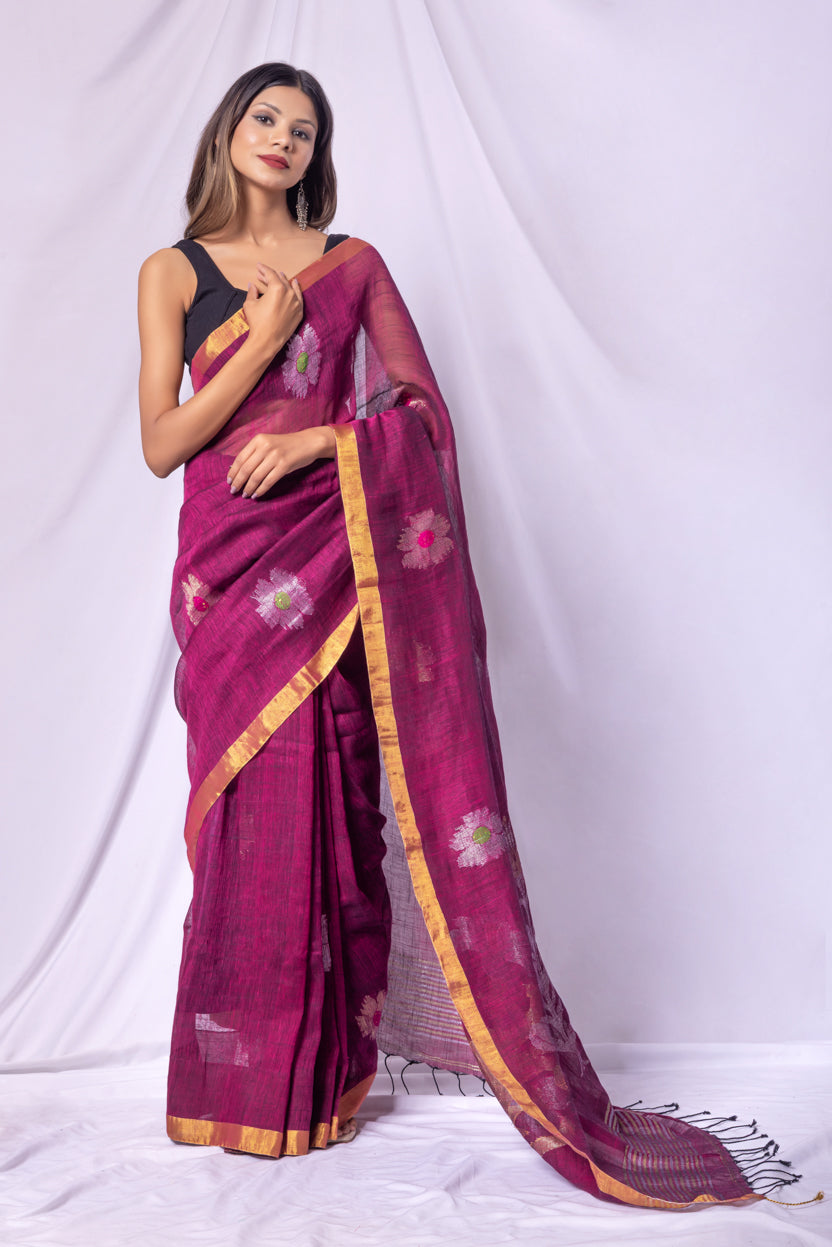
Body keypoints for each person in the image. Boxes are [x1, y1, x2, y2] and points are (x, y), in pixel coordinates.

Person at [138, 62, 770, 1207]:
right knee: (245, 823)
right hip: (229, 576)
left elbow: (419, 418)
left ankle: (319, 1079)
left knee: (330, 795)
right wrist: (260, 336)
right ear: (229, 132)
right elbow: (163, 439)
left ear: (316, 151)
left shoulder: (353, 266)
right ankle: (236, 1084)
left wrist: (327, 448)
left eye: (303, 127)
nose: (281, 138)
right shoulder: (173, 271)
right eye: (265, 118)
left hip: (334, 561)